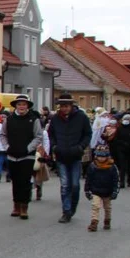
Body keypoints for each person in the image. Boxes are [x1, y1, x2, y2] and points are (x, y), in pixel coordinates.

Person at [0, 94, 44, 220]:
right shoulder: (9, 119)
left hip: (27, 156)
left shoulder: (34, 119)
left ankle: (24, 206)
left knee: (25, 181)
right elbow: (2, 135)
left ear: (27, 106)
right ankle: (16, 205)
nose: (21, 106)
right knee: (16, 182)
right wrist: (7, 147)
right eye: (19, 104)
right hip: (13, 156)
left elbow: (38, 136)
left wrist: (28, 148)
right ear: (15, 106)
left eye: (24, 104)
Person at [48, 92, 92, 223]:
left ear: (71, 105)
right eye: (62, 106)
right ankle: (66, 211)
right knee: (65, 185)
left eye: (67, 106)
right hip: (61, 155)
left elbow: (88, 134)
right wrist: (54, 146)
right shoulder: (55, 119)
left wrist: (80, 147)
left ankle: (72, 207)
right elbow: (51, 134)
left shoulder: (81, 117)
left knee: (75, 185)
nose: (64, 108)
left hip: (75, 155)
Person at [84, 143, 120, 232]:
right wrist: (87, 190)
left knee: (107, 208)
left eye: (103, 156)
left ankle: (107, 221)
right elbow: (88, 179)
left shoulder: (112, 167)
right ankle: (94, 223)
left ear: (107, 156)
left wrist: (115, 191)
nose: (101, 158)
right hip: (96, 190)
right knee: (95, 206)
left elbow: (116, 180)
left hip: (108, 191)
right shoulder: (92, 166)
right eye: (99, 156)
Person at [112, 114, 130, 188]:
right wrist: (123, 143)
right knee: (122, 166)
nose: (126, 121)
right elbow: (116, 139)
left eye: (128, 119)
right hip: (121, 149)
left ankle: (129, 180)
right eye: (125, 119)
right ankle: (122, 181)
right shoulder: (119, 128)